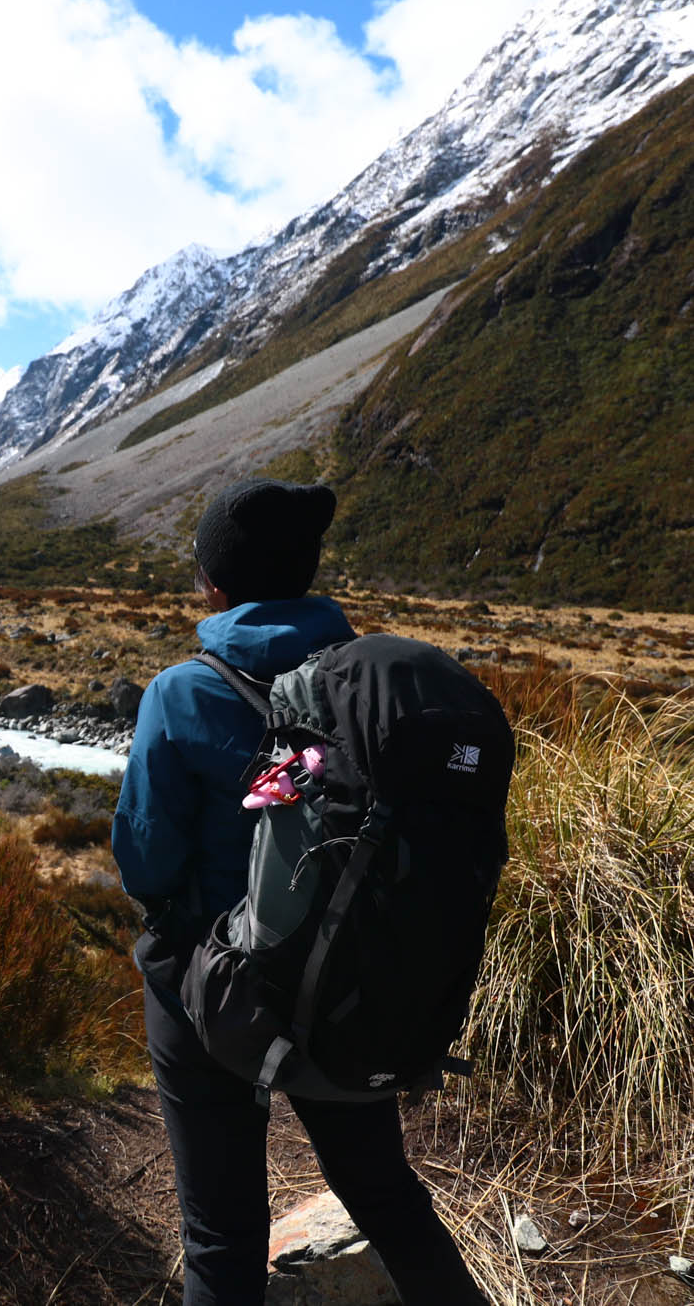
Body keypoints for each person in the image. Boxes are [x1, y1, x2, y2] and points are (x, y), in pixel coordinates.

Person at [112, 478, 488, 1306]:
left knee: (221, 1236)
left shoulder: (182, 692)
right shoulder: (368, 690)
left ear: (214, 583)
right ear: (308, 573)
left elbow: (144, 863)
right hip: (342, 988)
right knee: (386, 1197)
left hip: (212, 994)